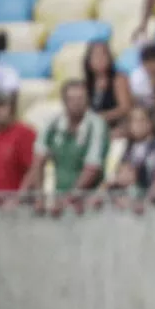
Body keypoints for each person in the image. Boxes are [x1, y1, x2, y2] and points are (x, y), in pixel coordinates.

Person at [24, 79, 110, 215]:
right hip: (59, 198)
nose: (76, 102)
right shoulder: (52, 123)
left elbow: (92, 168)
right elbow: (38, 160)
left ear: (87, 100)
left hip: (89, 201)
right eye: (72, 99)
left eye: (81, 98)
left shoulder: (97, 125)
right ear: (64, 101)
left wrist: (68, 199)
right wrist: (39, 196)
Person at [97, 105, 155, 212]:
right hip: (132, 202)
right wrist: (102, 191)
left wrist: (147, 200)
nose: (137, 125)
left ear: (150, 123)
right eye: (133, 121)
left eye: (141, 120)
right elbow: (120, 176)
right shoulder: (128, 148)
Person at [84, 42, 131, 130]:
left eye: (103, 55)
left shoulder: (118, 79)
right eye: (96, 56)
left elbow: (125, 108)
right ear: (89, 61)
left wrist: (101, 117)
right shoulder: (87, 83)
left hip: (117, 126)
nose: (100, 59)